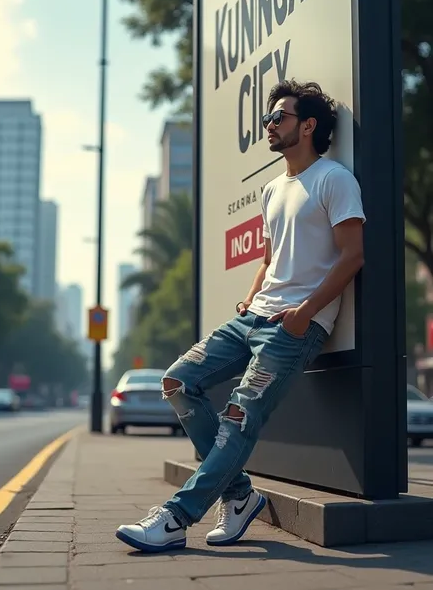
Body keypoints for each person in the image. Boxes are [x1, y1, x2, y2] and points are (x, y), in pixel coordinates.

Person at [116, 79, 366, 553]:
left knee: (238, 416)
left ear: (308, 125)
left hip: (296, 327)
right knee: (177, 380)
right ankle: (239, 495)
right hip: (255, 317)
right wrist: (250, 300)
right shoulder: (272, 190)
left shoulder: (334, 179)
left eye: (279, 118)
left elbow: (352, 255)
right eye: (268, 118)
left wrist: (306, 311)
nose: (269, 126)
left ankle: (175, 518)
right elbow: (269, 257)